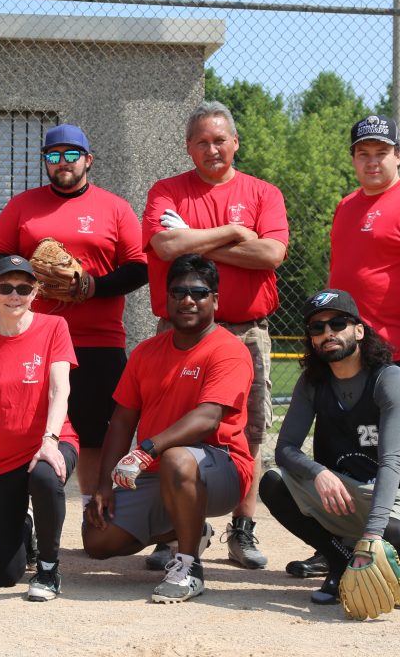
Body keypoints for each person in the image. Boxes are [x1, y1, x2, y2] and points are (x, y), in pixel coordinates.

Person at [291, 115, 400, 580]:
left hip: (392, 351)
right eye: (364, 153)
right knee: (333, 447)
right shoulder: (346, 206)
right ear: (354, 159)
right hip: (342, 351)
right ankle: (334, 543)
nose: (372, 161)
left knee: (398, 451)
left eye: (382, 152)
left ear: (399, 156)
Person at [141, 101, 287, 570]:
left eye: (220, 140)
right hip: (180, 332)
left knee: (249, 430)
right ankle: (172, 531)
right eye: (202, 142)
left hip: (246, 331)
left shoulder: (263, 192)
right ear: (188, 147)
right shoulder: (167, 191)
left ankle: (241, 530)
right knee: (170, 428)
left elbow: (271, 254)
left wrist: (197, 242)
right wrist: (233, 232)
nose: (212, 149)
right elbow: (165, 245)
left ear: (235, 142)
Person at [0, 124, 147, 509]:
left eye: (71, 154)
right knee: (27, 429)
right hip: (34, 338)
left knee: (94, 436)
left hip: (99, 339)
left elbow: (139, 268)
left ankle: (92, 507)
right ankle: (25, 513)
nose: (63, 162)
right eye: (53, 155)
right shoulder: (22, 206)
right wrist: (32, 274)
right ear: (45, 161)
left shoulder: (115, 208)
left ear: (88, 160)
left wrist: (94, 286)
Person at [83, 254, 254, 603]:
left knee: (177, 458)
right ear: (167, 299)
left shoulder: (229, 350)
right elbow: (122, 421)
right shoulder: (146, 352)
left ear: (214, 300)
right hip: (158, 471)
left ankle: (189, 567)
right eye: (178, 292)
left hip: (221, 467)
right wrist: (103, 486)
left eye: (199, 292)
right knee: (98, 540)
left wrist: (146, 449)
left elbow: (208, 417)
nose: (187, 300)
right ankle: (191, 528)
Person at [260, 289, 400, 609]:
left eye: (337, 324)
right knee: (273, 482)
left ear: (359, 330)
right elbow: (285, 449)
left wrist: (371, 536)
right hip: (350, 491)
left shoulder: (389, 379)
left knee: (392, 529)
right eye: (317, 327)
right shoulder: (313, 383)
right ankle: (339, 562)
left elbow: (391, 462)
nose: (327, 333)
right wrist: (318, 473)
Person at [0, 256, 79, 601]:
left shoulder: (54, 326)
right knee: (4, 575)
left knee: (45, 476)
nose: (14, 295)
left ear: (35, 292)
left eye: (24, 288)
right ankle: (25, 527)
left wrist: (50, 440)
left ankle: (48, 568)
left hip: (49, 442)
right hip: (0, 457)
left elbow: (60, 389)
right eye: (5, 287)